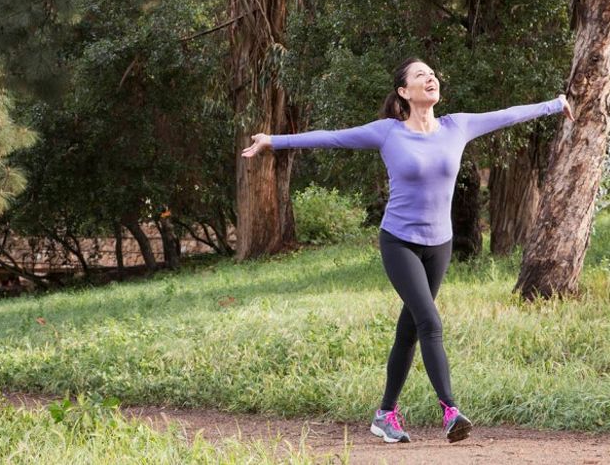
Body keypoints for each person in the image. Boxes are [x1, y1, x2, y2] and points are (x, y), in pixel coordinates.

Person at [241, 58, 575, 444]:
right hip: (399, 242)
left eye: (433, 73)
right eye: (421, 75)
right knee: (430, 322)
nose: (431, 77)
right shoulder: (388, 133)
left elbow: (507, 115)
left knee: (410, 331)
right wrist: (273, 141)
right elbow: (332, 136)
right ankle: (451, 411)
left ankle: (384, 414)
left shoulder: (457, 126)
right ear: (404, 92)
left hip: (440, 245)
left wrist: (554, 104)